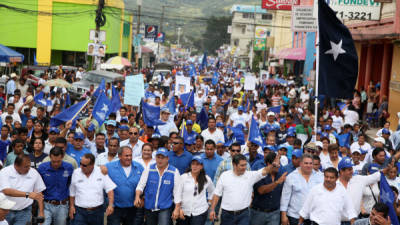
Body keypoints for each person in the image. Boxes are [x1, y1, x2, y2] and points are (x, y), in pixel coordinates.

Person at [208, 154, 272, 225]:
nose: (244, 167)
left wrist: (273, 165)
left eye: (245, 165)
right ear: (234, 165)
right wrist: (212, 210)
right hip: (227, 215)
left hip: (244, 215)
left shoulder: (250, 176)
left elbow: (264, 171)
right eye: (242, 165)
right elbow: (217, 194)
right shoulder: (224, 176)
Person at [135, 148, 181, 225]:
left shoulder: (174, 171)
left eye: (162, 157)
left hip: (165, 208)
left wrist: (177, 208)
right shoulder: (149, 169)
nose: (160, 160)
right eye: (158, 157)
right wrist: (137, 197)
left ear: (167, 158)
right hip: (149, 207)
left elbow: (177, 192)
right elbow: (140, 185)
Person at [69, 153, 116, 225]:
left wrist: (110, 205)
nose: (81, 167)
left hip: (97, 212)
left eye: (84, 165)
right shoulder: (76, 172)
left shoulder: (101, 172)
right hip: (80, 212)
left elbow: (110, 190)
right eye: (80, 164)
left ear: (92, 165)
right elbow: (72, 192)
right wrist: (71, 206)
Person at [0, 154, 46, 225]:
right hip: (5, 211)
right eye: (26, 167)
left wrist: (41, 212)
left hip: (25, 211)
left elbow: (39, 194)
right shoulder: (5, 172)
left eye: (29, 166)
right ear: (16, 165)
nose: (29, 168)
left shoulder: (34, 172)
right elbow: (6, 191)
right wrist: (28, 194)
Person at [280, 154, 324, 225]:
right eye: (306, 163)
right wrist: (283, 216)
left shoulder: (320, 177)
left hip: (314, 217)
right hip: (295, 216)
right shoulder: (291, 177)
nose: (308, 165)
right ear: (300, 163)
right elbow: (285, 198)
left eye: (310, 163)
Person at [106, 146, 145, 225]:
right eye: (126, 155)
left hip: (133, 208)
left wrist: (143, 198)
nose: (129, 158)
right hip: (115, 208)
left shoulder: (139, 167)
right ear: (119, 156)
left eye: (130, 155)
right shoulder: (109, 167)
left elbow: (145, 184)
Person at [37, 147, 74, 225]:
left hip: (62, 205)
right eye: (53, 161)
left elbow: (70, 185)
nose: (56, 164)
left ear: (62, 157)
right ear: (50, 157)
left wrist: (71, 206)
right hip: (46, 205)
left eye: (58, 161)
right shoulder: (42, 168)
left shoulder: (69, 167)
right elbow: (38, 187)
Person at [175, 155, 215, 225]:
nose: (194, 166)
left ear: (201, 166)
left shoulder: (206, 179)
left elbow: (212, 191)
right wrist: (179, 208)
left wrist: (209, 203)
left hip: (200, 212)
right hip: (184, 211)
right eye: (193, 164)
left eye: (197, 164)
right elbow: (177, 194)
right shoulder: (184, 177)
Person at [250, 152, 287, 225]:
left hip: (274, 214)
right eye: (275, 164)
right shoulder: (259, 175)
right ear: (268, 164)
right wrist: (276, 183)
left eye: (279, 164)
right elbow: (261, 190)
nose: (278, 166)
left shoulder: (281, 176)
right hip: (258, 214)